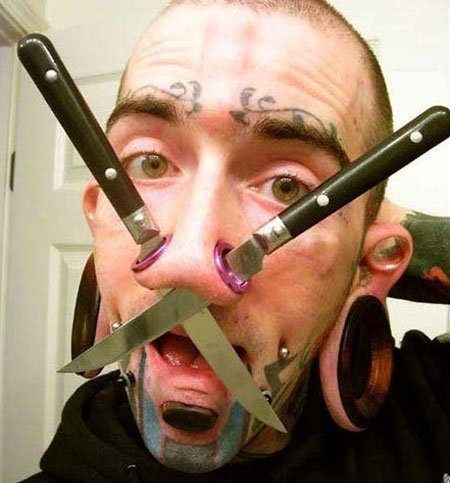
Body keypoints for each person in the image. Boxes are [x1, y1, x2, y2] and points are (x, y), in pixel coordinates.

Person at [22, 0, 450, 481]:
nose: (187, 264)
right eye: (151, 163)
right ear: (99, 219)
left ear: (365, 267)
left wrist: (369, 246)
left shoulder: (433, 420)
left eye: (287, 188)